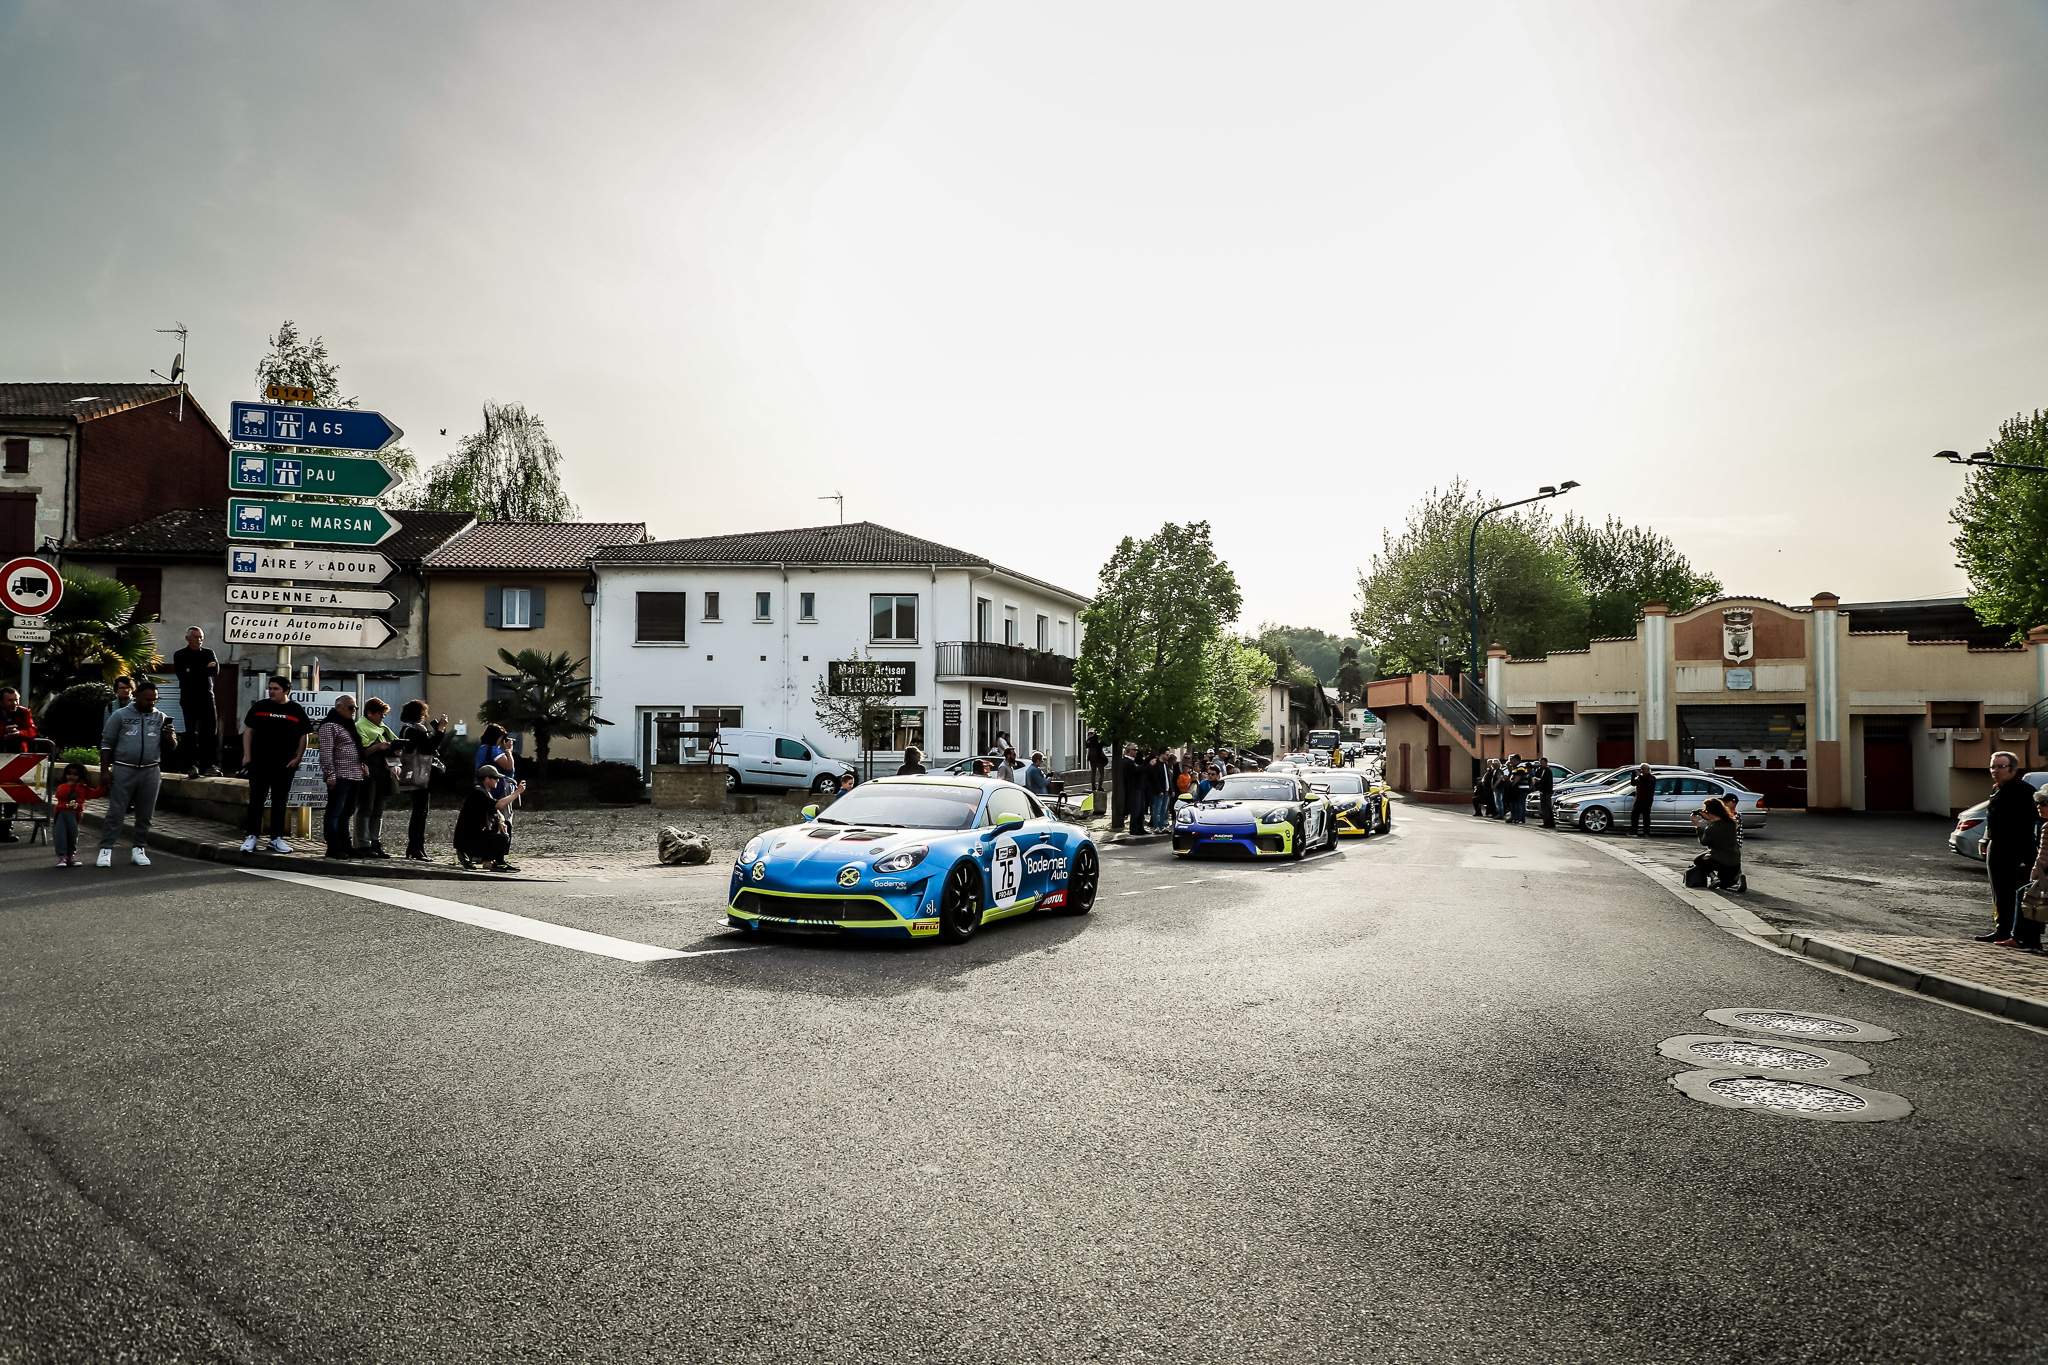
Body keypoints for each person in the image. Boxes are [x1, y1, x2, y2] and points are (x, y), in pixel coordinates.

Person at [97, 678, 175, 867]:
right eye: (148, 699)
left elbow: (171, 747)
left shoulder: (160, 717)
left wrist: (168, 737)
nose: (152, 703)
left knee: (145, 813)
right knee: (116, 812)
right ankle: (106, 849)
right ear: (137, 696)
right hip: (124, 768)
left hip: (150, 770)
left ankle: (139, 849)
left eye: (155, 699)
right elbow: (107, 743)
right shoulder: (120, 715)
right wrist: (104, 770)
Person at [240, 675, 312, 853]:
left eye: (276, 689)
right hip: (259, 762)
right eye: (270, 688)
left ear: (286, 691)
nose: (271, 692)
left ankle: (276, 839)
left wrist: (298, 758)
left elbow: (304, 735)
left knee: (280, 801)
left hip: (284, 764)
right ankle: (252, 836)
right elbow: (248, 731)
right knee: (256, 799)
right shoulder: (260, 707)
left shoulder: (295, 710)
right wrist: (247, 755)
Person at [1980, 750, 2037, 946]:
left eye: (2001, 767)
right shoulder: (1997, 789)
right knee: (1999, 891)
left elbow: (2029, 824)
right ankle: (2002, 930)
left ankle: (2022, 935)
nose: (1995, 771)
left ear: (2013, 769)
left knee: (2018, 893)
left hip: (2016, 850)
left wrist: (2025, 855)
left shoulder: (2024, 792)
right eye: (1992, 767)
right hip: (1997, 847)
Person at [396, 700, 450, 860]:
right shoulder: (414, 730)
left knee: (421, 811)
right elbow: (429, 748)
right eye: (423, 713)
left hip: (417, 772)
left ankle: (416, 847)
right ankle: (415, 848)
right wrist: (440, 729)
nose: (425, 716)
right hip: (419, 773)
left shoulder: (407, 729)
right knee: (420, 812)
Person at [316, 695, 367, 859]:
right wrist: (330, 775)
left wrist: (363, 765)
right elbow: (326, 753)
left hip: (355, 775)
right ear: (339, 708)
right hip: (340, 775)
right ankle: (333, 847)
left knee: (348, 812)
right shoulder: (329, 726)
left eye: (355, 708)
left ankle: (346, 845)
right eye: (351, 707)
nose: (354, 711)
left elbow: (356, 748)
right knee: (335, 811)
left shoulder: (349, 725)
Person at [454, 763, 524, 872]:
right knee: (502, 838)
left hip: (476, 834)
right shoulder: (477, 793)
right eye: (495, 778)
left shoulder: (484, 792)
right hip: (468, 840)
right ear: (487, 779)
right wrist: (516, 793)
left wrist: (501, 821)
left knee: (506, 825)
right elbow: (498, 805)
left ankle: (495, 862)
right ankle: (467, 853)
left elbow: (495, 809)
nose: (498, 781)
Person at [352, 697, 399, 858]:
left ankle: (375, 842)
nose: (383, 718)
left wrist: (395, 752)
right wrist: (378, 747)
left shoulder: (382, 728)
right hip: (368, 774)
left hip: (382, 774)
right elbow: (361, 752)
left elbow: (391, 744)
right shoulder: (360, 727)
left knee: (378, 810)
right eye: (381, 714)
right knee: (366, 809)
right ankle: (364, 843)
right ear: (370, 713)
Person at [171, 626, 222, 775]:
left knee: (210, 731)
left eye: (201, 637)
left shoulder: (208, 653)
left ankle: (209, 765)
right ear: (187, 638)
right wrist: (204, 669)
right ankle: (191, 765)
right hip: (189, 697)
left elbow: (215, 671)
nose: (199, 640)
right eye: (196, 637)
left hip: (207, 697)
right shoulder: (180, 655)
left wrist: (192, 670)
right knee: (191, 732)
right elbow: (183, 676)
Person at [2012, 784, 2048, 953]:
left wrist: (2034, 875)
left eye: (2044, 803)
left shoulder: (2046, 827)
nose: (2039, 807)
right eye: (2038, 803)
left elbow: (2043, 858)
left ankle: (2025, 939)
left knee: (2026, 895)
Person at [50, 763, 106, 867]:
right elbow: (60, 795)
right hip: (61, 813)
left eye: (75, 774)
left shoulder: (83, 788)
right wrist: (69, 786)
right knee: (60, 835)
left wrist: (103, 786)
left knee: (73, 835)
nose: (71, 777)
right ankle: (62, 856)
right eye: (69, 774)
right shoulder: (62, 786)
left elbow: (95, 794)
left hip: (74, 814)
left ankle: (71, 855)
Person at [0, 684, 35, 843]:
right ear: (1, 701)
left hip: (16, 759)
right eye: (10, 700)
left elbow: (32, 730)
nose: (14, 703)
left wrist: (18, 733)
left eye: (16, 700)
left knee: (12, 795)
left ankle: (7, 829)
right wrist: (4, 733)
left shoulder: (24, 712)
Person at [1690, 797, 1744, 890]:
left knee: (1699, 860)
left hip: (1720, 860)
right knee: (1725, 884)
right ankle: (1737, 879)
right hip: (1734, 861)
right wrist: (1709, 820)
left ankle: (1714, 878)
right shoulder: (1730, 822)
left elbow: (1703, 842)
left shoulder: (1712, 828)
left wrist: (1697, 825)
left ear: (1709, 812)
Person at [1120, 742, 1146, 834]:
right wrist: (1146, 764)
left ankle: (1140, 828)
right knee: (1136, 809)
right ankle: (1134, 829)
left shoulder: (1134, 761)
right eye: (1135, 750)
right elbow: (1137, 771)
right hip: (1134, 789)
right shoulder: (1127, 762)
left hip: (1139, 788)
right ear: (1129, 751)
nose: (1136, 752)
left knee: (1141, 809)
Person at [1628, 763, 1657, 837]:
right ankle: (1634, 831)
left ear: (1648, 770)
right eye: (1641, 769)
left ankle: (1646, 832)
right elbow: (1633, 784)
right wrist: (1633, 777)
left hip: (1647, 800)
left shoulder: (1651, 778)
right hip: (1639, 800)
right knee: (1634, 816)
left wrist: (1640, 776)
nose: (1641, 771)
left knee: (1646, 816)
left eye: (1643, 769)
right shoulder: (1640, 778)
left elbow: (1648, 782)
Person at [1536, 760, 1556, 829]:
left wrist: (1539, 782)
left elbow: (1546, 782)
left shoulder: (1547, 771)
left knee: (1546, 808)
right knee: (1546, 808)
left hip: (1546, 792)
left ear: (1546, 763)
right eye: (1540, 763)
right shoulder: (1543, 771)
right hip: (1545, 792)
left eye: (1542, 763)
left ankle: (1548, 823)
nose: (1540, 764)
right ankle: (1549, 822)